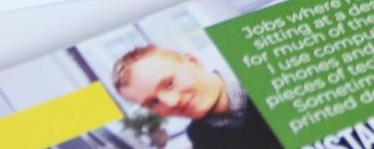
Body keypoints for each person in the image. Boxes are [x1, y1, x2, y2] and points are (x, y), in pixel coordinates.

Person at [112, 45, 279, 148]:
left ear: (193, 61)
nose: (172, 102)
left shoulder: (274, 78)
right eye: (153, 102)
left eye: (169, 83)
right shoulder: (202, 136)